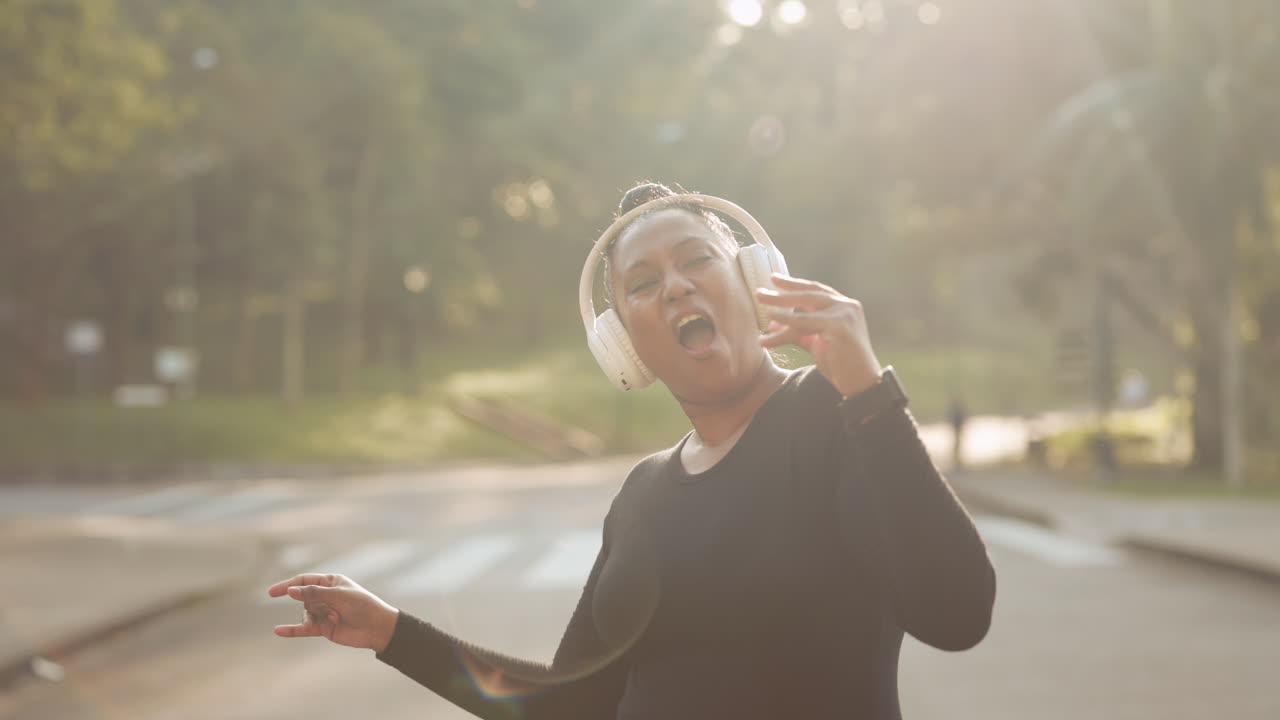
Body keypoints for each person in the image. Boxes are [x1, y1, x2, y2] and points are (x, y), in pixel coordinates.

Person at [266, 182, 996, 719]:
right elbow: (568, 705)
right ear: (625, 345)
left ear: (751, 278)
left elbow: (958, 612)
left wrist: (869, 393)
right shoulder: (645, 493)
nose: (675, 287)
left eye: (696, 261)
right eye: (643, 284)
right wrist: (393, 633)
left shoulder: (833, 414)